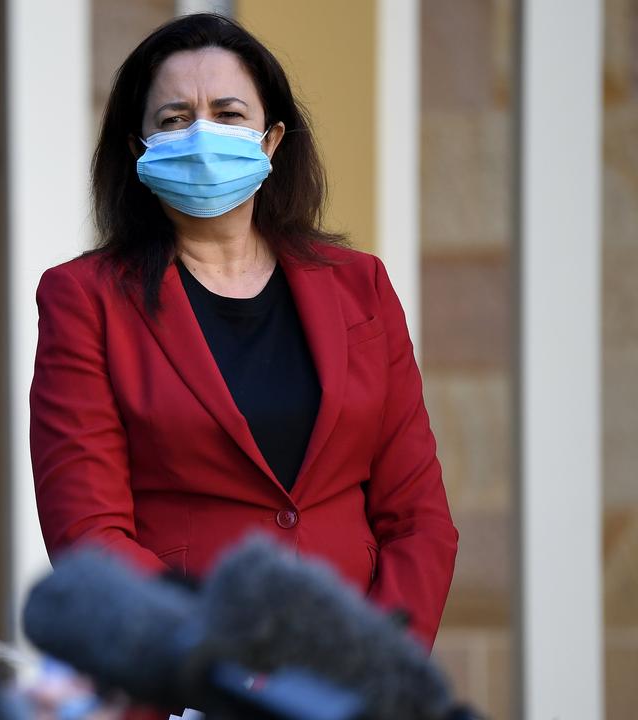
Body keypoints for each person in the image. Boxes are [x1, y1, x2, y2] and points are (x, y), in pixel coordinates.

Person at [29, 13, 457, 649]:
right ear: (136, 147)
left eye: (229, 114)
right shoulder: (84, 300)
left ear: (272, 138)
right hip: (184, 679)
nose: (202, 136)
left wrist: (375, 666)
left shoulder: (359, 285)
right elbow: (88, 530)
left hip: (357, 675)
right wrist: (228, 660)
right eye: (174, 119)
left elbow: (417, 515)